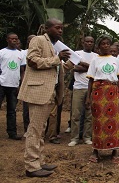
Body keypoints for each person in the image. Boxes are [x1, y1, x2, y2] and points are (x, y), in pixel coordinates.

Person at [18, 18, 74, 177]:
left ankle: (39, 161)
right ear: (47, 28)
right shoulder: (38, 40)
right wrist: (57, 59)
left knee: (40, 129)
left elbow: (54, 68)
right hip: (38, 92)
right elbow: (32, 61)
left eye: (62, 28)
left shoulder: (55, 46)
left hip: (49, 92)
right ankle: (31, 167)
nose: (60, 31)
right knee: (35, 130)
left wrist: (69, 63)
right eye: (57, 28)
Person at [86, 35, 119, 164]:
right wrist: (88, 98)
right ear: (99, 46)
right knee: (98, 121)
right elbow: (91, 80)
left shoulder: (116, 60)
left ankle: (114, 152)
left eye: (108, 43)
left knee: (114, 121)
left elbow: (118, 79)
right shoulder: (95, 60)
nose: (106, 46)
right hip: (99, 92)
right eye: (103, 44)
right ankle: (96, 151)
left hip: (113, 93)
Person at [68, 36, 97, 147]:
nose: (89, 43)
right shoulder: (77, 54)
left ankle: (87, 137)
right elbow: (74, 68)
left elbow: (96, 70)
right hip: (78, 87)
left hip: (92, 88)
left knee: (89, 115)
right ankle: (74, 138)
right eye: (87, 41)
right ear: (83, 42)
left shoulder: (96, 56)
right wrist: (89, 68)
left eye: (91, 42)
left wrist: (83, 65)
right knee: (76, 114)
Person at [0, 32, 25, 140]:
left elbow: (22, 70)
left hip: (14, 85)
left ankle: (12, 133)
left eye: (16, 39)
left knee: (12, 110)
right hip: (1, 84)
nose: (14, 40)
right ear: (7, 40)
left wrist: (21, 84)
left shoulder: (21, 54)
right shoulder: (2, 52)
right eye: (12, 39)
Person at [21, 35, 36, 135]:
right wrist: (23, 83)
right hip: (27, 83)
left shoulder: (40, 52)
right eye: (30, 40)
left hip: (37, 84)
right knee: (26, 109)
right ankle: (27, 130)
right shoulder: (23, 53)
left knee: (36, 110)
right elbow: (22, 70)